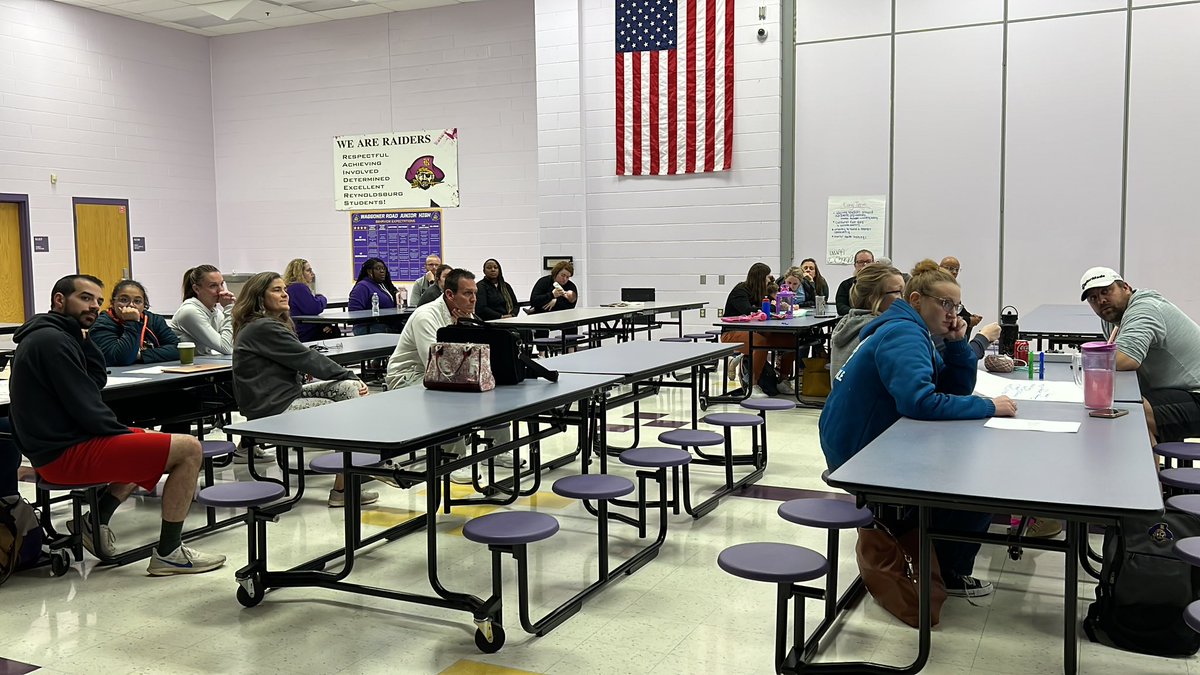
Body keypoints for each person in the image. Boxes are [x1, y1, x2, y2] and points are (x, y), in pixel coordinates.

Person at [819, 260, 1018, 598]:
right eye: (945, 304)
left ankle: (934, 553)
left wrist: (957, 346)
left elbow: (952, 391)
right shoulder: (904, 334)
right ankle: (946, 572)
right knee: (978, 486)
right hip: (860, 453)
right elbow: (921, 402)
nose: (953, 314)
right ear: (915, 301)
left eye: (956, 306)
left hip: (870, 441)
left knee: (964, 465)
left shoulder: (915, 331)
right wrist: (988, 406)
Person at [8, 275, 226, 575]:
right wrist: (125, 435)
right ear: (60, 300)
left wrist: (86, 340)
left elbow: (95, 381)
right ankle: (169, 552)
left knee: (144, 440)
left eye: (98, 301)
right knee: (188, 448)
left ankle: (93, 521)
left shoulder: (63, 335)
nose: (94, 306)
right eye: (85, 298)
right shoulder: (51, 341)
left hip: (63, 444)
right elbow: (85, 405)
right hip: (62, 454)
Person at [231, 272, 379, 508]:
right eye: (276, 290)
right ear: (259, 297)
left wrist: (350, 379)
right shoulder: (262, 327)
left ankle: (353, 473)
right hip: (271, 407)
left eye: (284, 289)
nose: (284, 294)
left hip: (286, 395)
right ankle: (348, 484)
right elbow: (306, 358)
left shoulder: (271, 323)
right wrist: (348, 372)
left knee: (351, 390)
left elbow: (297, 361)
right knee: (343, 410)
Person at [385, 269, 517, 481]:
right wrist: (456, 329)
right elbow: (440, 364)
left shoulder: (467, 314)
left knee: (491, 387)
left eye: (475, 293)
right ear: (449, 294)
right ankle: (453, 459)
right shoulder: (426, 316)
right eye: (467, 293)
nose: (474, 299)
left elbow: (478, 354)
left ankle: (498, 449)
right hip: (407, 376)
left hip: (440, 372)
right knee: (448, 395)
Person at [1080, 266, 1200, 445]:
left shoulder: (1144, 309)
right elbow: (1113, 363)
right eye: (1093, 298)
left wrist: (1083, 362)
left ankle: (1146, 473)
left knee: (1128, 414)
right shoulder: (1111, 319)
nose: (1102, 300)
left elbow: (1125, 359)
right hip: (1174, 390)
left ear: (1126, 287)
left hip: (1194, 394)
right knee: (1118, 406)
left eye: (1106, 291)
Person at [721, 262, 796, 398]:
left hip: (758, 331)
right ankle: (752, 385)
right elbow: (747, 310)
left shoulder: (761, 292)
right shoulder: (740, 291)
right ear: (760, 278)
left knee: (790, 341)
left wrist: (779, 305)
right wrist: (773, 308)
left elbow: (766, 308)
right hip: (731, 333)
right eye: (767, 277)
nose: (769, 280)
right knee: (760, 343)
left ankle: (782, 379)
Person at [829, 262, 904, 382]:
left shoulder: (847, 323)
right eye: (897, 292)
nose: (902, 297)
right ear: (874, 298)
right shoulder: (884, 331)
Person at [90, 280, 180, 366]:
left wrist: (140, 355)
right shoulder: (101, 324)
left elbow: (178, 349)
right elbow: (120, 358)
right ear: (113, 303)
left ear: (144, 305)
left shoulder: (154, 320)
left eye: (137, 301)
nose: (131, 305)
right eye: (124, 300)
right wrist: (132, 322)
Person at [172, 265, 235, 356]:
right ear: (196, 289)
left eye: (221, 284)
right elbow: (226, 348)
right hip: (188, 367)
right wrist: (229, 308)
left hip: (206, 365)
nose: (221, 291)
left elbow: (233, 345)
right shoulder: (189, 312)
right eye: (213, 286)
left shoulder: (216, 313)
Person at [283, 258, 336, 342]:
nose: (312, 274)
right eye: (308, 271)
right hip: (304, 331)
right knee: (334, 331)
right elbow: (315, 308)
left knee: (329, 327)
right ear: (299, 273)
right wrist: (322, 298)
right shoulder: (299, 287)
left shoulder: (290, 287)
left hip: (298, 328)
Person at [348, 257, 399, 336]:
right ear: (369, 271)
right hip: (368, 326)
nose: (382, 271)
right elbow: (353, 312)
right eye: (378, 269)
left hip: (386, 324)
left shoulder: (384, 285)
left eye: (383, 268)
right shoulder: (362, 286)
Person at [940, 257, 983, 331]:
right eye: (950, 268)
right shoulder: (937, 287)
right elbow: (943, 316)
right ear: (940, 268)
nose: (954, 272)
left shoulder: (952, 287)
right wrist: (969, 320)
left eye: (957, 270)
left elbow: (958, 309)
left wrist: (971, 316)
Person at [835, 250, 874, 316]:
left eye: (868, 261)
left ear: (873, 263)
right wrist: (858, 313)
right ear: (855, 265)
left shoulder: (881, 283)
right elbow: (841, 307)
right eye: (861, 262)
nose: (865, 265)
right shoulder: (845, 285)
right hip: (853, 320)